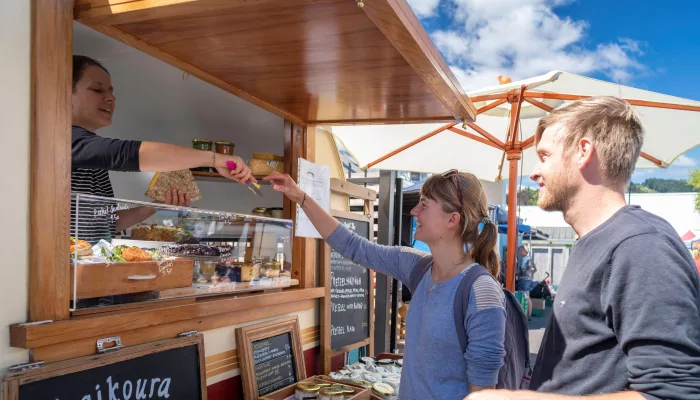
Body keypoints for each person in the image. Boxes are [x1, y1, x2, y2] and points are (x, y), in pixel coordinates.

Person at [466, 96, 700, 400]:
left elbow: (674, 393)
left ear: (583, 151)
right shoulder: (596, 242)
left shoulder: (640, 245)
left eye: (545, 155)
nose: (535, 172)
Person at [265, 170, 506, 399]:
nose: (414, 211)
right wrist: (299, 196)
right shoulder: (419, 267)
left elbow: (483, 393)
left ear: (453, 219)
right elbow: (354, 247)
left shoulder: (481, 291)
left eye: (424, 205)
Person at [71, 55, 255, 242]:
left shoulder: (90, 153)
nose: (110, 98)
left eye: (111, 91)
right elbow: (130, 154)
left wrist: (156, 205)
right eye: (97, 89)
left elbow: (106, 225)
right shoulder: (66, 141)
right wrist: (214, 159)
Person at [515, 245, 536, 319]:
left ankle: (526, 314)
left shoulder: (526, 259)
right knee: (527, 296)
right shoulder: (526, 258)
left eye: (521, 250)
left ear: (525, 251)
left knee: (524, 296)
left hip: (524, 280)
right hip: (526, 279)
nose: (520, 252)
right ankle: (528, 314)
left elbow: (529, 270)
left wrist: (520, 274)